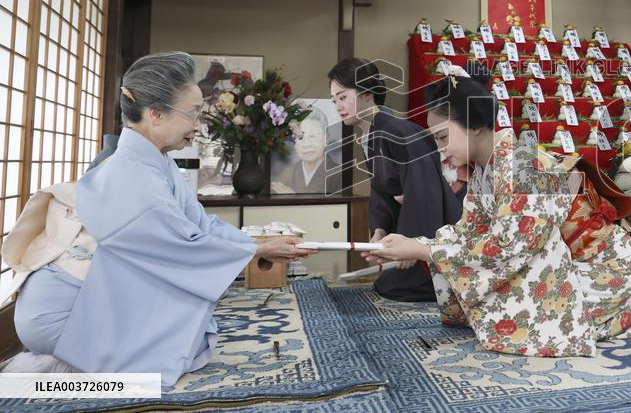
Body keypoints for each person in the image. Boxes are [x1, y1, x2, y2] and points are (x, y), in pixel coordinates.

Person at [6, 52, 315, 386]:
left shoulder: (157, 163)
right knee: (175, 350)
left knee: (190, 339)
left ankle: (81, 358)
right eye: (193, 114)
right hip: (62, 314)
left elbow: (200, 226)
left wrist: (262, 245)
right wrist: (257, 250)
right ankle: (62, 367)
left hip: (91, 295)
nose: (198, 126)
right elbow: (183, 246)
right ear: (155, 114)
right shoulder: (130, 173)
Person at [367, 75, 631, 357]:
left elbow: (510, 249)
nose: (440, 149)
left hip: (603, 267)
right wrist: (409, 244)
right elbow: (468, 232)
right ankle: (597, 314)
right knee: (490, 309)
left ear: (476, 126)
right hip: (560, 260)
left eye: (442, 137)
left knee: (538, 326)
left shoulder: (525, 169)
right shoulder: (483, 171)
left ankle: (624, 315)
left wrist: (425, 250)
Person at [329, 58, 462, 301]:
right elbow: (382, 189)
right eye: (334, 100)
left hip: (436, 223)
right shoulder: (370, 134)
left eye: (343, 96)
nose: (338, 106)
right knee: (388, 283)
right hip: (407, 219)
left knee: (399, 287)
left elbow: (424, 189)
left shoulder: (398, 132)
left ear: (367, 93)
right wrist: (379, 230)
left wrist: (414, 243)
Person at [273, 110, 329, 194]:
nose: (306, 144)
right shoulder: (287, 174)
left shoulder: (337, 173)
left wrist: (293, 197)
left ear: (326, 139)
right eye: (299, 137)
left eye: (312, 136)